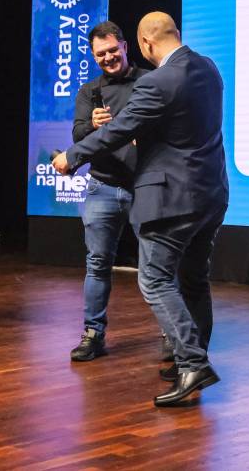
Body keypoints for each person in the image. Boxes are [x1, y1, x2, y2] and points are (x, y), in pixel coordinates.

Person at [53, 11, 228, 407]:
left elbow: (119, 130)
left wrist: (71, 157)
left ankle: (192, 363)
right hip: (211, 193)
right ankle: (189, 359)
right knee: (194, 279)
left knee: (154, 280)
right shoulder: (208, 68)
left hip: (171, 199)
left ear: (144, 44)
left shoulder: (156, 81)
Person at [68, 20, 151, 362]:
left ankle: (171, 337)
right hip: (102, 186)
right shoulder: (90, 91)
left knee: (157, 266)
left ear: (125, 46)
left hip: (145, 187)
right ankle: (93, 334)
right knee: (98, 264)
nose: (108, 58)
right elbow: (77, 135)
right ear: (93, 55)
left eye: (113, 50)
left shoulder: (149, 81)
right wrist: (92, 124)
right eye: (100, 54)